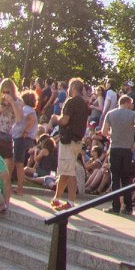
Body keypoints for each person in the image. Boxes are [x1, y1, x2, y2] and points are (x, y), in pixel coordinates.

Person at [50, 77, 88, 211]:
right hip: (77, 140)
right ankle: (56, 198)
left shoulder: (71, 102)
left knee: (69, 171)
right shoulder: (84, 103)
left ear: (72, 88)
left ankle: (71, 202)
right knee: (64, 171)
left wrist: (55, 118)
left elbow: (65, 120)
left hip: (68, 139)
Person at [102, 94, 135, 215]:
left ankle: (115, 206)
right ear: (126, 103)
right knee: (126, 179)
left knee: (115, 178)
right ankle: (128, 207)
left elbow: (104, 131)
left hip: (115, 147)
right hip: (127, 150)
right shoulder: (132, 115)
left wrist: (111, 135)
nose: (132, 106)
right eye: (130, 104)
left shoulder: (110, 114)